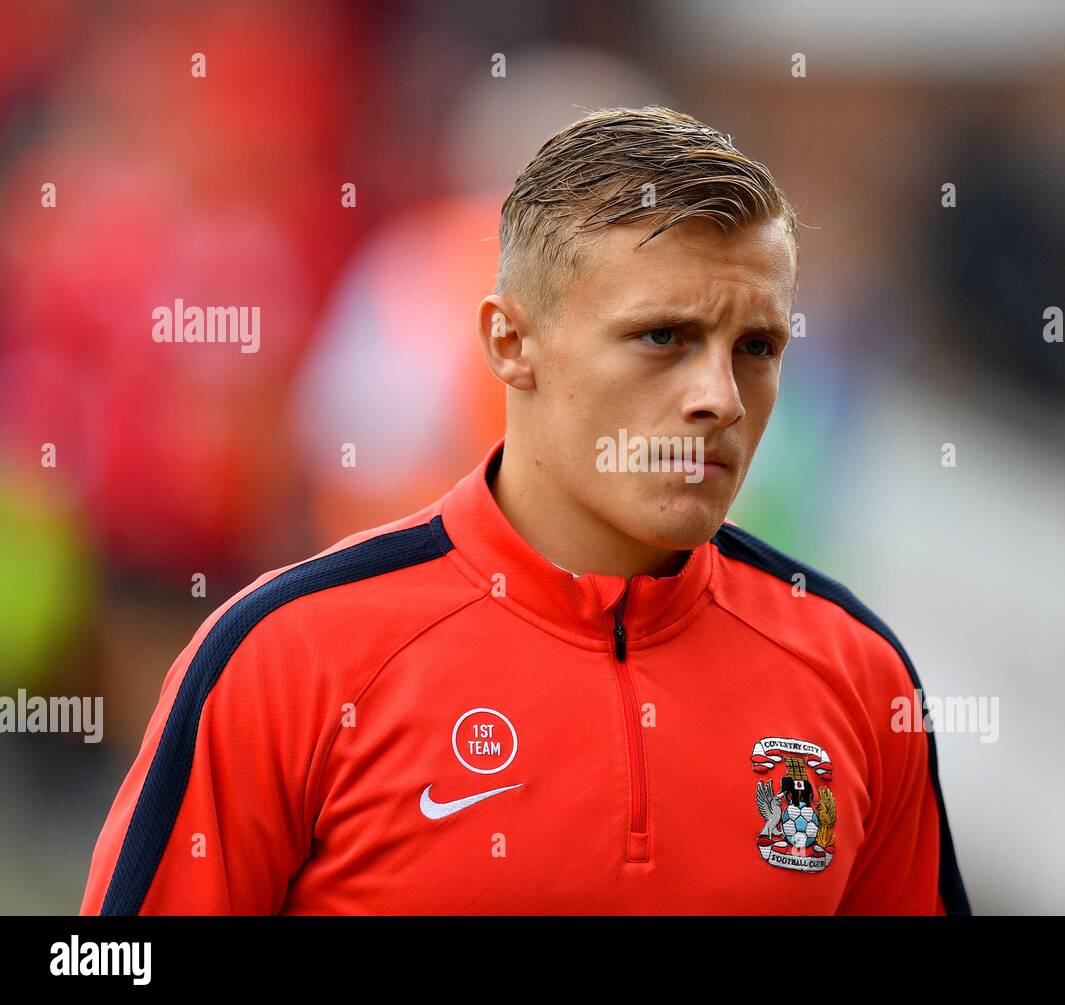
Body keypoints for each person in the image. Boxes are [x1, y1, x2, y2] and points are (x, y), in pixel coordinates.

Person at [81, 105, 970, 915]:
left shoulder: (857, 673)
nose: (720, 398)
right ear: (510, 342)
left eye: (757, 346)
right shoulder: (290, 659)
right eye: (662, 336)